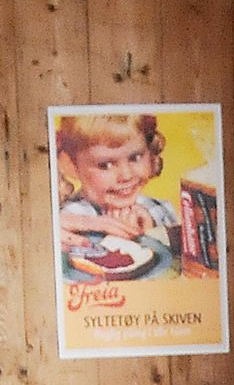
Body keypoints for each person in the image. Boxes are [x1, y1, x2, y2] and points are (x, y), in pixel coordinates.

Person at [54, 112, 179, 278]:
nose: (126, 176)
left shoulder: (160, 209)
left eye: (135, 157)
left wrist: (151, 235)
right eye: (105, 165)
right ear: (70, 164)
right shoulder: (69, 219)